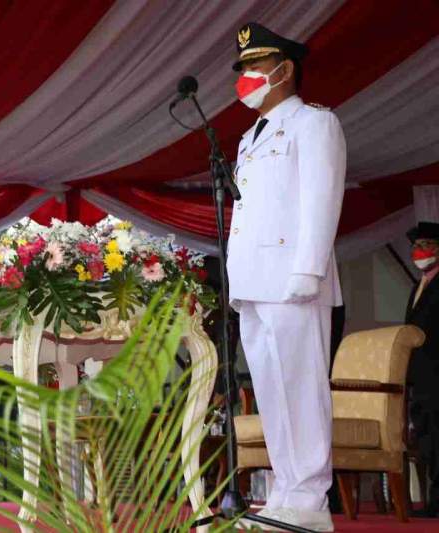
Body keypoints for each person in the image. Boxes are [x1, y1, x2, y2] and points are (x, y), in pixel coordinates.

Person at [227, 22, 345, 531]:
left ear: (285, 69)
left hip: (295, 278)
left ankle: (311, 501)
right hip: (254, 281)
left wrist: (308, 268)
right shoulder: (248, 139)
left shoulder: (314, 124)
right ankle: (284, 492)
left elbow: (322, 199)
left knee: (300, 388)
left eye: (255, 67)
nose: (247, 78)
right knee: (273, 389)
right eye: (244, 70)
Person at [404, 221, 439, 517]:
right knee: (427, 437)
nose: (418, 252)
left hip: (437, 372)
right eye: (415, 247)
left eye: (425, 245)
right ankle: (433, 501)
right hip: (420, 375)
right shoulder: (419, 285)